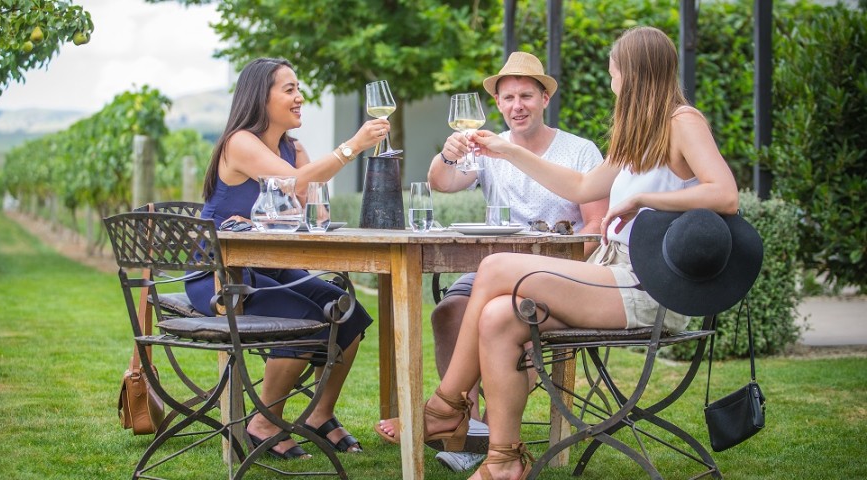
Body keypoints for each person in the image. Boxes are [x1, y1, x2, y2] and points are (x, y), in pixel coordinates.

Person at [376, 26, 743, 480]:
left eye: (613, 72)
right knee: (496, 317)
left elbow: (726, 194)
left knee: (494, 267)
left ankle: (444, 407)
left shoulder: (682, 121)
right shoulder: (639, 133)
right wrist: (506, 152)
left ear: (632, 73)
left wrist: (642, 202)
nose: (612, 82)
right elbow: (582, 186)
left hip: (649, 284)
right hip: (613, 275)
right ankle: (504, 460)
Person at [186, 57, 390, 458]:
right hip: (221, 278)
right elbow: (294, 183)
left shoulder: (291, 147)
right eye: (289, 89)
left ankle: (320, 415)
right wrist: (353, 146)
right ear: (261, 97)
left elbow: (312, 202)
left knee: (347, 312)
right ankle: (262, 424)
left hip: (271, 269)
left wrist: (307, 200)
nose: (300, 98)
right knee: (303, 319)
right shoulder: (240, 142)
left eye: (299, 89)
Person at [424, 51, 608, 472]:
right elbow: (442, 182)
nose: (516, 106)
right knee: (448, 312)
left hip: (554, 274)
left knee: (511, 325)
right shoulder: (488, 148)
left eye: (526, 95)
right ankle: (463, 427)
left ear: (545, 98)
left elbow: (596, 225)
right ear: (499, 104)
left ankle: (490, 428)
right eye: (507, 98)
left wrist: (565, 271)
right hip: (491, 269)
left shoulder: (579, 152)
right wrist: (449, 154)